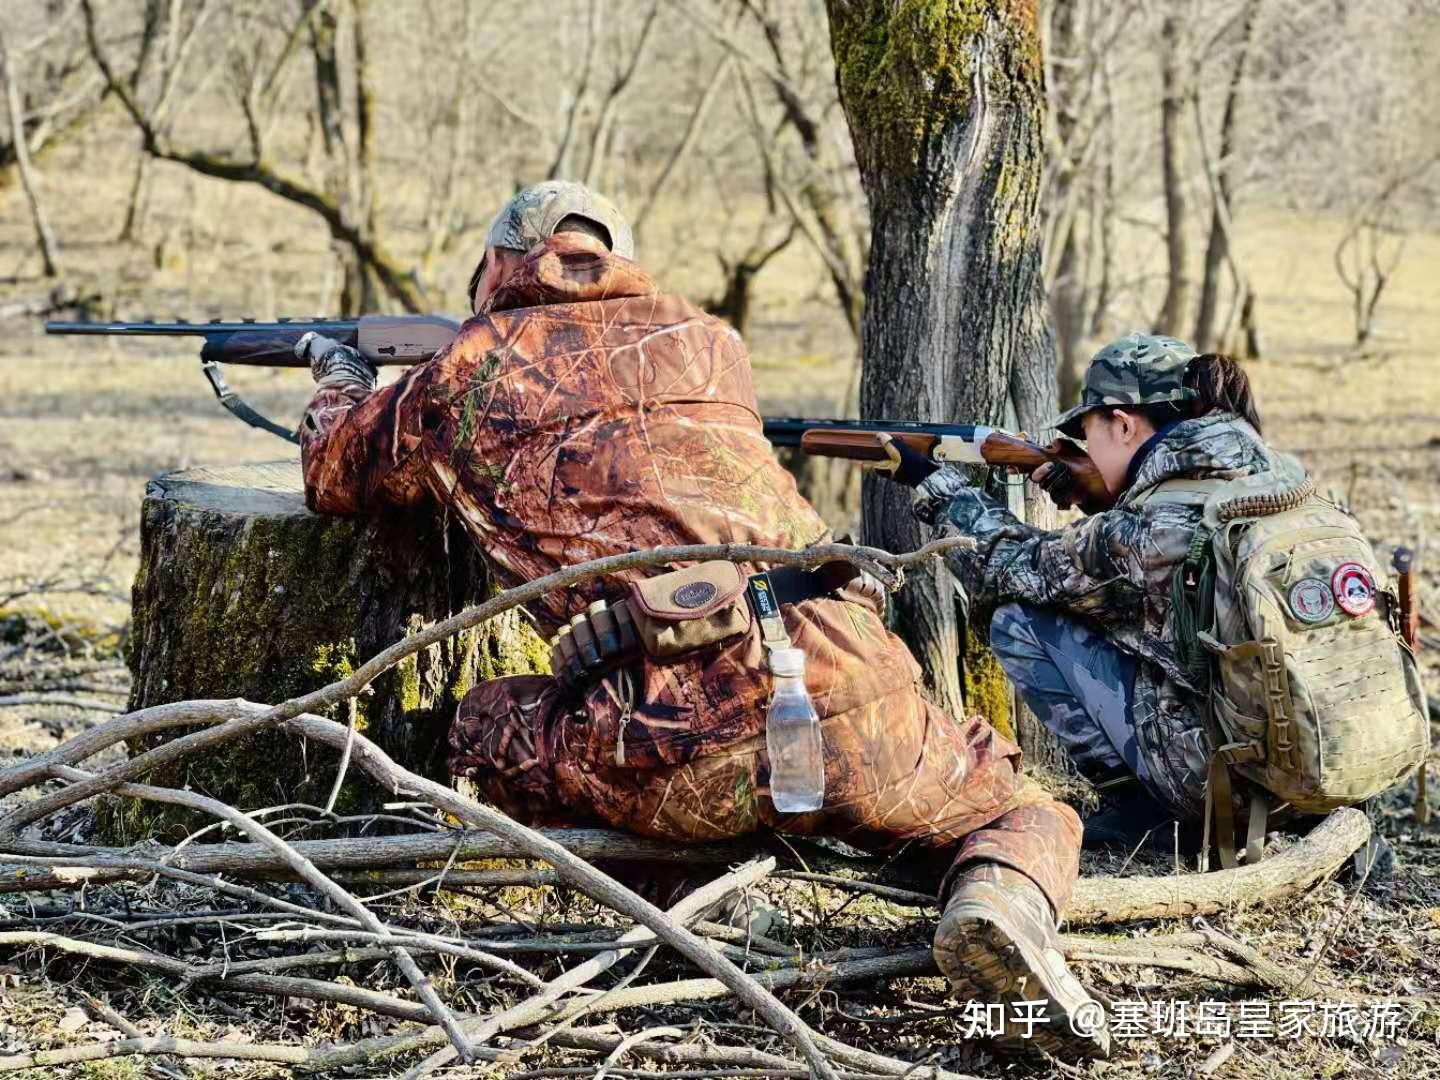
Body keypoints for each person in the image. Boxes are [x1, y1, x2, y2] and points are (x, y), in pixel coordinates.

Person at [294, 180, 1109, 1058]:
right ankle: (1000, 903)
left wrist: (341, 374)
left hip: (667, 728)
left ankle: (683, 903)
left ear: (499, 262)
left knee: (486, 726)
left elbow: (333, 475)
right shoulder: (708, 338)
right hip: (848, 680)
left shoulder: (471, 366)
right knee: (1021, 807)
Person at [878, 333, 1277, 844]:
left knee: (1019, 622)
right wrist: (1100, 501)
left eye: (1089, 435)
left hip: (1221, 785)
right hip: (1309, 767)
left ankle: (1140, 811)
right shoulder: (1276, 482)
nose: (1086, 450)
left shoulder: (1139, 532)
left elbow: (1004, 567)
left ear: (1124, 424)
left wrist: (934, 483)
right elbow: (1150, 569)